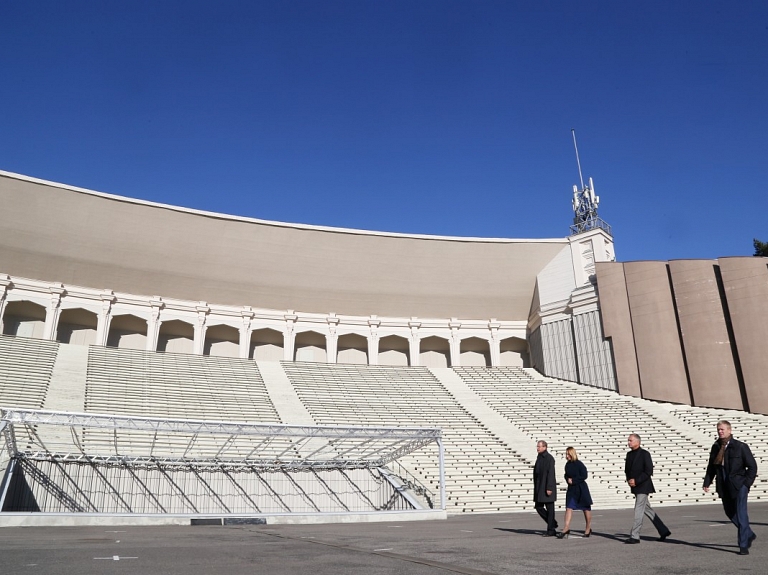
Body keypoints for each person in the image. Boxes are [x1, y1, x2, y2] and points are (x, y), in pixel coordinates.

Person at [703, 420, 758, 555]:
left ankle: (743, 545)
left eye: (722, 429)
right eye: (718, 429)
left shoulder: (740, 447)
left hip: (739, 485)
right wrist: (707, 482)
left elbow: (752, 467)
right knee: (729, 512)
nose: (720, 431)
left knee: (741, 513)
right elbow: (712, 466)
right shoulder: (716, 447)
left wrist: (746, 484)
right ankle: (749, 533)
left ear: (729, 430)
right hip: (723, 485)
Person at [624, 433, 671, 544]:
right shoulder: (629, 455)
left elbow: (648, 471)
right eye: (628, 440)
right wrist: (629, 480)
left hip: (643, 486)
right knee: (647, 509)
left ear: (637, 441)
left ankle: (635, 536)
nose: (628, 442)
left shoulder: (645, 454)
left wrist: (636, 480)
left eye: (630, 440)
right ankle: (663, 530)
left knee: (638, 509)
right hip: (634, 486)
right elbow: (627, 470)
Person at [557, 446, 593, 538]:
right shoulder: (567, 464)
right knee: (569, 507)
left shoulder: (579, 464)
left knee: (586, 508)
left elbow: (584, 475)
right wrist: (567, 479)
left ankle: (588, 528)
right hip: (572, 489)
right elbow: (566, 475)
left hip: (581, 488)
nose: (567, 456)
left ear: (572, 454)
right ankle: (566, 528)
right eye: (566, 454)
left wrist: (574, 480)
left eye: (568, 454)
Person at [533, 440, 558, 536]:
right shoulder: (539, 457)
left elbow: (551, 474)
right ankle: (552, 523)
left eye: (539, 446)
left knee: (550, 508)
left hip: (547, 487)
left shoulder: (549, 458)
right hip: (539, 487)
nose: (538, 448)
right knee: (538, 507)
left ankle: (551, 529)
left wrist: (549, 487)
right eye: (537, 446)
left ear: (545, 447)